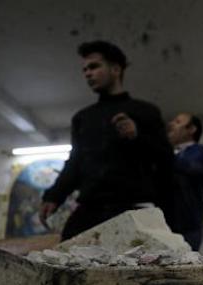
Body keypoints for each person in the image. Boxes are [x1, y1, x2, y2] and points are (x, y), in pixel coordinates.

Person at [40, 41, 174, 241]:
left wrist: (136, 136)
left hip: (134, 207)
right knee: (68, 260)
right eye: (85, 69)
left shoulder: (145, 112)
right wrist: (53, 196)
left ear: (116, 69)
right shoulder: (83, 118)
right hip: (90, 208)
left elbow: (166, 159)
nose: (87, 73)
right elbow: (75, 162)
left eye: (94, 66)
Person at [166, 112, 203, 250]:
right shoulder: (169, 153)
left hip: (187, 223)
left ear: (191, 129)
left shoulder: (198, 151)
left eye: (178, 122)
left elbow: (191, 167)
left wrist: (162, 150)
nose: (171, 125)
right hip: (167, 220)